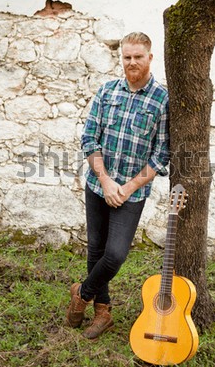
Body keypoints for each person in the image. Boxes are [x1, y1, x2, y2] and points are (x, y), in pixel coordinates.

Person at [66, 32, 170, 340]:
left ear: (150, 58)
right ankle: (103, 312)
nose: (132, 62)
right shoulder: (106, 91)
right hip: (99, 186)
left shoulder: (162, 100)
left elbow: (162, 153)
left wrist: (126, 187)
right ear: (121, 57)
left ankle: (81, 294)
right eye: (127, 57)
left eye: (138, 56)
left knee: (115, 255)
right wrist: (106, 181)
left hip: (132, 193)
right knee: (95, 250)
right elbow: (89, 138)